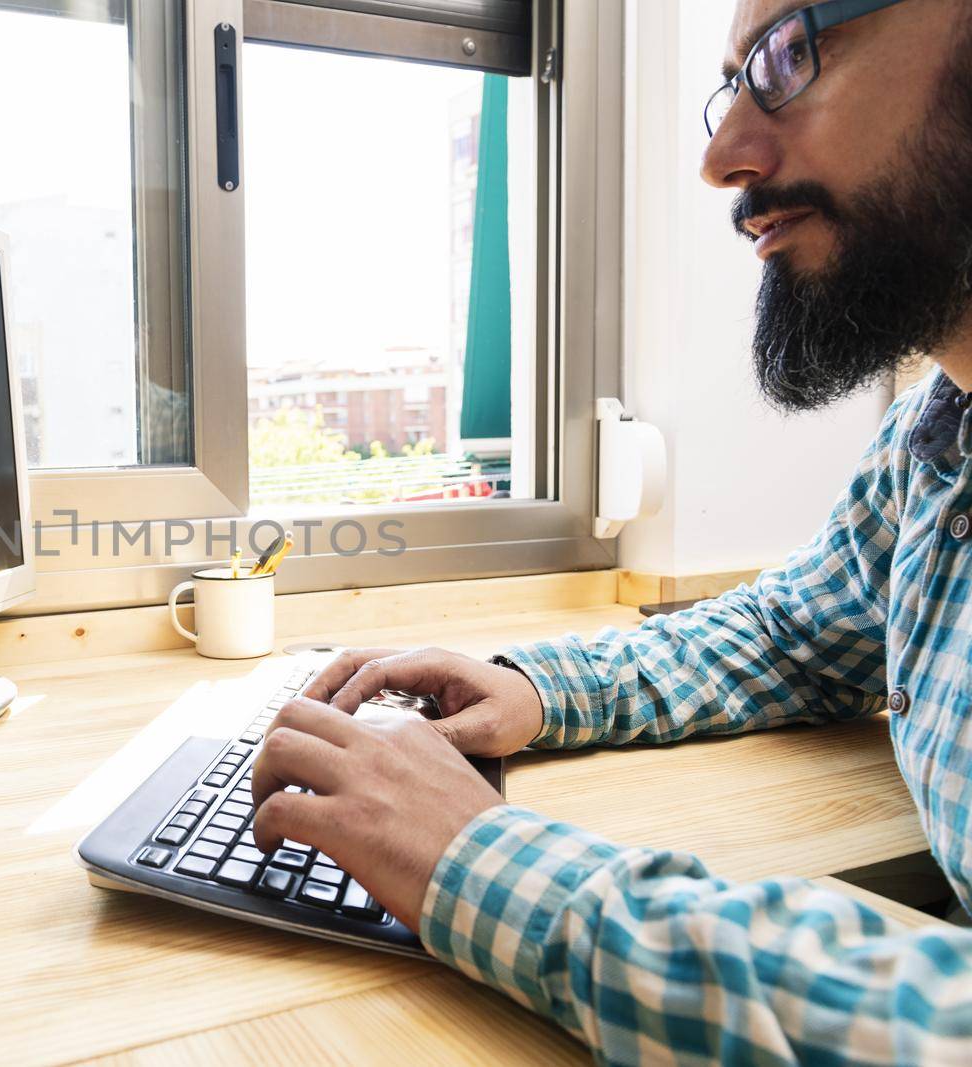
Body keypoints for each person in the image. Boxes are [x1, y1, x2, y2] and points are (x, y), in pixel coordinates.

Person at [249, 0, 972, 1060]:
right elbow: (789, 633)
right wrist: (537, 687)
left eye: (786, 56)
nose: (722, 157)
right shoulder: (935, 434)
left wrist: (479, 859)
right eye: (732, 85)